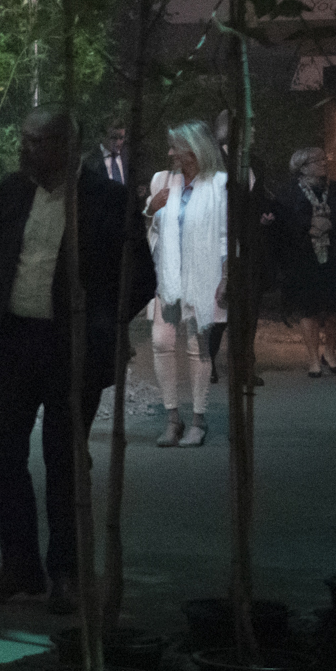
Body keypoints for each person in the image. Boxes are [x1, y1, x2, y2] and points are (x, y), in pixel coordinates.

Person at [0, 111, 158, 614]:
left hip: (70, 344)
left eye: (39, 142)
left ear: (68, 144)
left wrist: (97, 318)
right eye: (24, 139)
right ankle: (19, 564)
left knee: (64, 459)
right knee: (2, 453)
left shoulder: (106, 199)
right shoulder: (13, 191)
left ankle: (67, 572)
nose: (27, 150)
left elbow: (141, 278)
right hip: (14, 339)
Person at [145, 120, 229, 447]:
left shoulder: (219, 184)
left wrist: (225, 277)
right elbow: (151, 229)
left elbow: (225, 237)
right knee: (161, 343)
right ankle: (172, 419)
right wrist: (151, 208)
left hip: (203, 276)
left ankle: (198, 419)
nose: (169, 153)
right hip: (167, 275)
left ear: (194, 149)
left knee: (198, 348)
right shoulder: (162, 181)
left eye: (174, 147)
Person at [277, 145, 336, 377]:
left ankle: (329, 352)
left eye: (324, 159)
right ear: (302, 167)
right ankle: (312, 359)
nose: (324, 163)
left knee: (334, 307)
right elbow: (284, 222)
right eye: (317, 161)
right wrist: (308, 227)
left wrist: (331, 224)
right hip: (304, 257)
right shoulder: (290, 191)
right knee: (308, 307)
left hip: (334, 255)